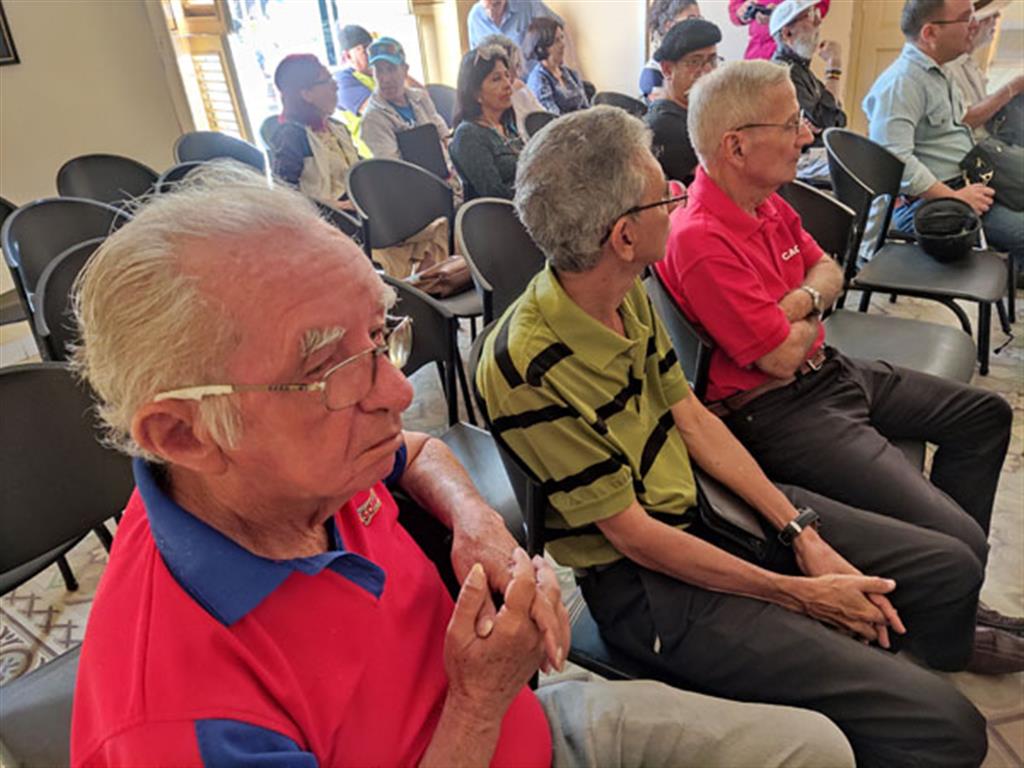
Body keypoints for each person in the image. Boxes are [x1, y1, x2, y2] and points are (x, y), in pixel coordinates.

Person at [68, 166, 857, 768]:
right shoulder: (177, 726)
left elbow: (420, 452)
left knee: (818, 748)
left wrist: (474, 518)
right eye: (331, 369)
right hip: (478, 727)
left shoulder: (281, 468)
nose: (394, 393)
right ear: (182, 434)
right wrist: (479, 702)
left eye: (380, 336)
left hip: (531, 723)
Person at [475, 103, 997, 768]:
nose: (679, 197)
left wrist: (800, 533)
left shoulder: (622, 290)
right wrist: (801, 594)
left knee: (949, 568)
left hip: (708, 510)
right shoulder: (525, 363)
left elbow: (691, 418)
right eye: (664, 193)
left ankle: (889, 670)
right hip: (648, 589)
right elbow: (634, 537)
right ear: (624, 237)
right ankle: (880, 693)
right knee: (950, 732)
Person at [657, 59, 1022, 663]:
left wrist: (800, 302)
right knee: (959, 538)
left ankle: (948, 599)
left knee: (985, 415)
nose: (806, 136)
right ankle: (944, 637)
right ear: (736, 146)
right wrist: (811, 305)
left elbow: (830, 269)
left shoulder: (764, 200)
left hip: (829, 370)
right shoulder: (700, 237)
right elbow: (778, 358)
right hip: (780, 411)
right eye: (790, 124)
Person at [863, 0, 1024, 273]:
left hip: (963, 183)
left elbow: (958, 125)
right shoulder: (902, 83)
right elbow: (894, 160)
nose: (973, 26)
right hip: (929, 201)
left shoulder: (939, 72)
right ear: (930, 33)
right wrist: (955, 198)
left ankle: (1011, 274)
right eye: (965, 19)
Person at [270, 54, 360, 210]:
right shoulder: (292, 136)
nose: (336, 86)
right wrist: (337, 206)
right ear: (306, 94)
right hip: (326, 216)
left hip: (357, 204)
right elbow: (284, 192)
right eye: (327, 81)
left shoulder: (337, 128)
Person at [769, 0, 846, 183]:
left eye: (816, 13)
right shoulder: (783, 72)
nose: (818, 21)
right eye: (810, 16)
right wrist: (833, 67)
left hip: (815, 158)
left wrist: (823, 121)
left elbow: (837, 121)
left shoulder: (803, 71)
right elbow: (827, 122)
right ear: (787, 33)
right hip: (799, 164)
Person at [644, 17, 721, 185]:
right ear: (667, 69)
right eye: (695, 62)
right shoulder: (663, 126)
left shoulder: (699, 111)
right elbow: (718, 181)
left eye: (712, 60)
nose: (708, 70)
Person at [450, 46, 524, 200]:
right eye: (496, 79)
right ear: (475, 93)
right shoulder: (468, 135)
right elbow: (494, 194)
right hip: (500, 213)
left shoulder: (507, 126)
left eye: (507, 76)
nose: (507, 84)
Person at [359, 37, 450, 161]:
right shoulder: (373, 119)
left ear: (405, 70)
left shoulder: (421, 97)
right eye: (379, 71)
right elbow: (394, 166)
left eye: (391, 69)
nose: (385, 79)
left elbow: (444, 136)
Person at [945, 3, 1024, 144]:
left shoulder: (968, 64)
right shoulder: (948, 67)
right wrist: (1012, 88)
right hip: (972, 150)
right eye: (990, 15)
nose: (997, 16)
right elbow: (963, 122)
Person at [480, 33, 547, 137]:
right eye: (497, 78)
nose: (516, 74)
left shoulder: (520, 90)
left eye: (518, 66)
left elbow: (546, 119)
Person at [468, 0, 574, 64]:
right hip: (499, 88)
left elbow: (561, 26)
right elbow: (477, 61)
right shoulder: (475, 18)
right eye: (486, 7)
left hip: (532, 84)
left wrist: (572, 68)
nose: (492, 13)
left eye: (496, 4)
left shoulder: (527, 4)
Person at [523, 18, 589, 116]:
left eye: (562, 38)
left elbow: (586, 108)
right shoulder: (539, 80)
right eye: (556, 41)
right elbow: (553, 119)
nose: (563, 44)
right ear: (542, 48)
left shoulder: (570, 73)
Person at [640, 0, 702, 101]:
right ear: (668, 26)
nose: (699, 26)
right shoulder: (653, 76)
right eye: (691, 19)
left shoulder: (701, 62)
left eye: (699, 19)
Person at [729, 0, 831, 60]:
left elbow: (820, 6)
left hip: (793, 48)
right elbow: (735, 9)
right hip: (758, 50)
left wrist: (781, 14)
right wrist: (742, 11)